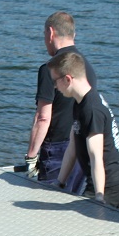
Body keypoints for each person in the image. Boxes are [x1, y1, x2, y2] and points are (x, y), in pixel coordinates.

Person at [49, 52, 119, 209]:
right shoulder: (79, 102)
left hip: (112, 185)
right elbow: (72, 147)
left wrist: (99, 197)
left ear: (68, 79)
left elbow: (97, 156)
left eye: (55, 81)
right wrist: (59, 183)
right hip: (99, 181)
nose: (54, 87)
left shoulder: (91, 109)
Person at [23, 11, 93, 191]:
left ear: (51, 33)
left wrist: (31, 158)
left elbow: (43, 117)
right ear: (73, 34)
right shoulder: (86, 65)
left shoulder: (50, 68)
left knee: (47, 202)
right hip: (82, 144)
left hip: (57, 149)